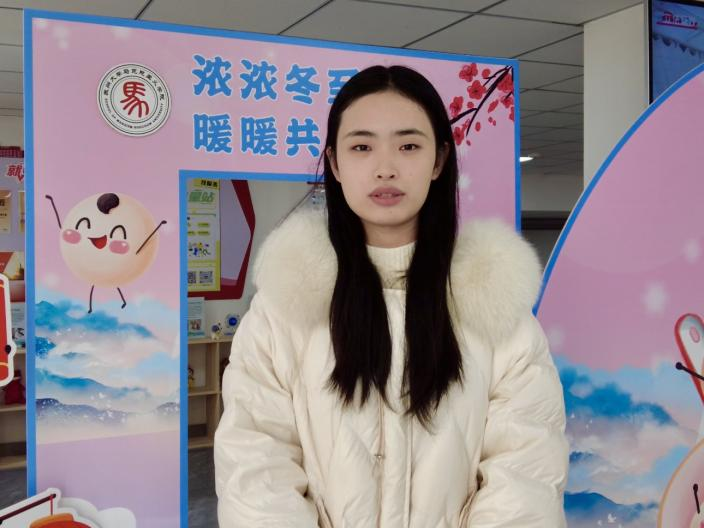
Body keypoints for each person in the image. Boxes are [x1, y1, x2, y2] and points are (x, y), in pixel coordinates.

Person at [214, 65, 568, 527]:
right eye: (362, 147)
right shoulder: (284, 307)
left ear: (438, 161)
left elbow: (526, 474)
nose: (385, 168)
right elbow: (255, 467)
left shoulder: (495, 306)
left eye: (408, 146)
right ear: (335, 164)